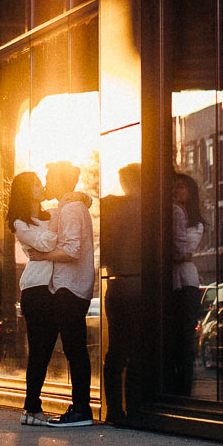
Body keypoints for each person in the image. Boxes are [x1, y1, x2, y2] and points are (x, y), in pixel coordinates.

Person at [43, 161, 96, 427]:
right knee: (74, 350)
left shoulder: (73, 209)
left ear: (61, 179)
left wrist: (43, 255)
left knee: (75, 350)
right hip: (67, 287)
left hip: (70, 288)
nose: (45, 182)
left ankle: (81, 410)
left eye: (49, 177)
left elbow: (73, 250)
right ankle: (80, 408)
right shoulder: (70, 206)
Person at [8, 171, 57, 425]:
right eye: (36, 184)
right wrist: (58, 241)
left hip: (55, 289)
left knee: (46, 351)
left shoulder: (52, 214)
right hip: (35, 290)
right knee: (39, 351)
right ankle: (31, 408)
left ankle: (31, 408)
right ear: (27, 190)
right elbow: (47, 243)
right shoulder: (20, 223)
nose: (42, 186)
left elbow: (48, 246)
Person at [99, 163, 144, 424]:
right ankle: (135, 408)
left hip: (116, 286)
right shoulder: (146, 208)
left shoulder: (112, 209)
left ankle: (115, 410)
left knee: (116, 351)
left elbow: (105, 254)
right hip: (139, 287)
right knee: (136, 350)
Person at [168, 171, 206, 393]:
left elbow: (183, 252)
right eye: (174, 186)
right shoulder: (172, 215)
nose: (176, 190)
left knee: (184, 335)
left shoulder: (195, 224)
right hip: (172, 281)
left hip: (186, 282)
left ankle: (185, 383)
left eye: (181, 187)